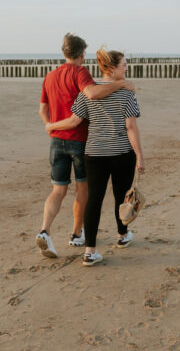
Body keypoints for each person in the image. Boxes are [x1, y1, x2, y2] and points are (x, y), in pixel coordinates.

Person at [36, 34, 135, 258]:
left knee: (58, 190)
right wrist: (121, 84)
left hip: (56, 140)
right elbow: (91, 93)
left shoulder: (50, 76)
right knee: (83, 190)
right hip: (79, 140)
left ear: (64, 52)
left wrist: (50, 127)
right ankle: (76, 234)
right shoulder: (81, 72)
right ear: (82, 54)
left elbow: (42, 110)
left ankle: (45, 230)